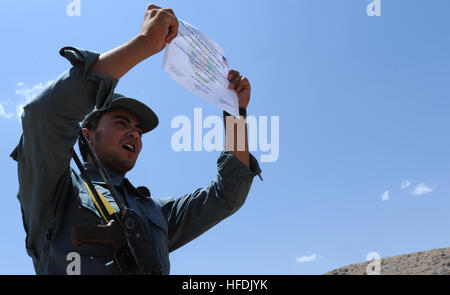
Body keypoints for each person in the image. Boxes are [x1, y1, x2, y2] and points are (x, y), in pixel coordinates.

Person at [10, 4, 261, 275]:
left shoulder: (156, 211)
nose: (134, 133)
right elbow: (43, 117)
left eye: (139, 131)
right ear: (88, 135)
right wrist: (145, 44)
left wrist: (235, 113)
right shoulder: (55, 188)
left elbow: (227, 196)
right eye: (121, 123)